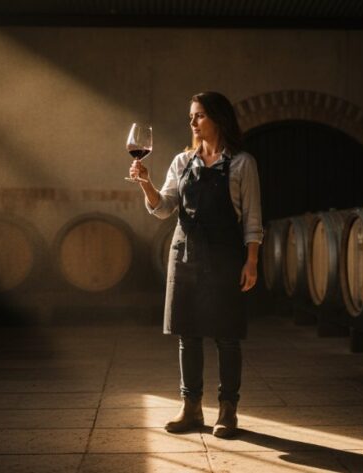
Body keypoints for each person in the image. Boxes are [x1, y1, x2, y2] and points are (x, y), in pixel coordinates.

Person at [129, 91, 262, 438]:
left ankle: (228, 410)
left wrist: (251, 261)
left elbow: (252, 219)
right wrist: (146, 184)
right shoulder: (182, 161)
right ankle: (191, 408)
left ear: (218, 118)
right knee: (188, 334)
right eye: (191, 116)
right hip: (185, 253)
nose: (192, 122)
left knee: (227, 336)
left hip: (225, 255)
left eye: (199, 115)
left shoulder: (242, 163)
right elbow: (164, 208)